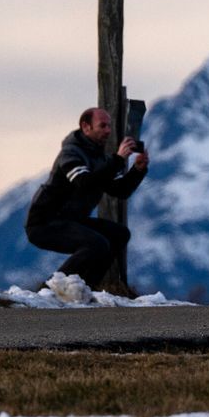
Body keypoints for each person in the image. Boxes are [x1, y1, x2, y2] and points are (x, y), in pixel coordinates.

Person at [23, 107, 149, 294]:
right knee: (96, 244)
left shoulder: (100, 157)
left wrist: (137, 170)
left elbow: (120, 191)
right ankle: (50, 289)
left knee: (119, 234)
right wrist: (117, 160)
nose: (108, 130)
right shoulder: (71, 153)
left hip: (72, 220)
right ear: (86, 127)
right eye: (103, 126)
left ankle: (85, 289)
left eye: (109, 126)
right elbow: (84, 182)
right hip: (45, 222)